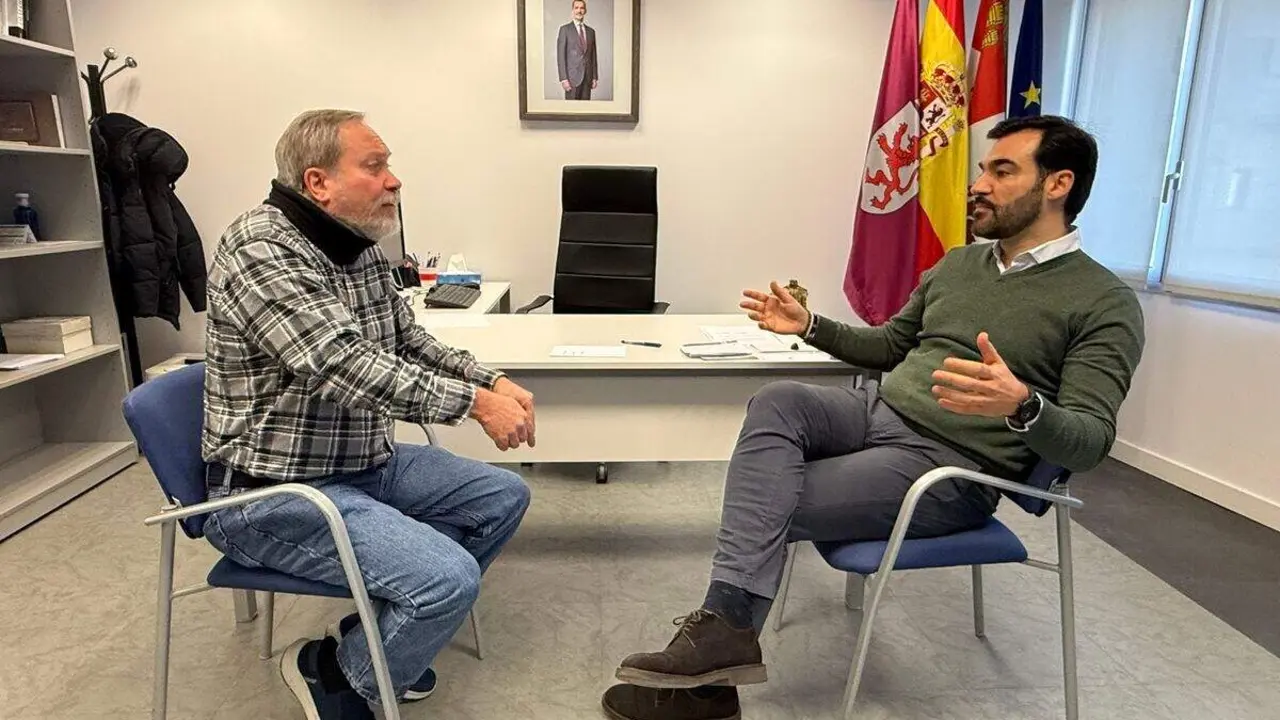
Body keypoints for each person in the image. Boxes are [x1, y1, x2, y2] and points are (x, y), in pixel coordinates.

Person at [600, 115, 1145, 720]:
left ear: (1058, 184)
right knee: (779, 398)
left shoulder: (1103, 301)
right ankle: (724, 641)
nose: (979, 184)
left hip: (949, 464)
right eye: (983, 169)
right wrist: (810, 327)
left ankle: (714, 665)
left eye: (1001, 170)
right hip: (877, 410)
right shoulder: (959, 265)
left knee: (767, 502)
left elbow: (1091, 443)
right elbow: (890, 347)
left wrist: (1024, 406)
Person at [201, 109, 535, 719]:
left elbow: (409, 340)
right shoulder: (260, 246)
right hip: (273, 492)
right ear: (318, 181)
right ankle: (339, 677)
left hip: (362, 466)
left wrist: (493, 379)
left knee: (501, 497)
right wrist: (473, 404)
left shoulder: (356, 248)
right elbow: (338, 362)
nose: (394, 181)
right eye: (375, 166)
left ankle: (378, 636)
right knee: (447, 579)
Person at [556, 0, 598, 100]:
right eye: (576, 8)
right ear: (572, 10)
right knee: (571, 111)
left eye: (582, 8)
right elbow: (560, 56)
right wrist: (563, 78)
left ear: (585, 11)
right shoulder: (565, 30)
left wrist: (594, 77)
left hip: (587, 79)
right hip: (571, 79)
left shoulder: (591, 32)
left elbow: (593, 56)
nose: (579, 11)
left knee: (586, 111)